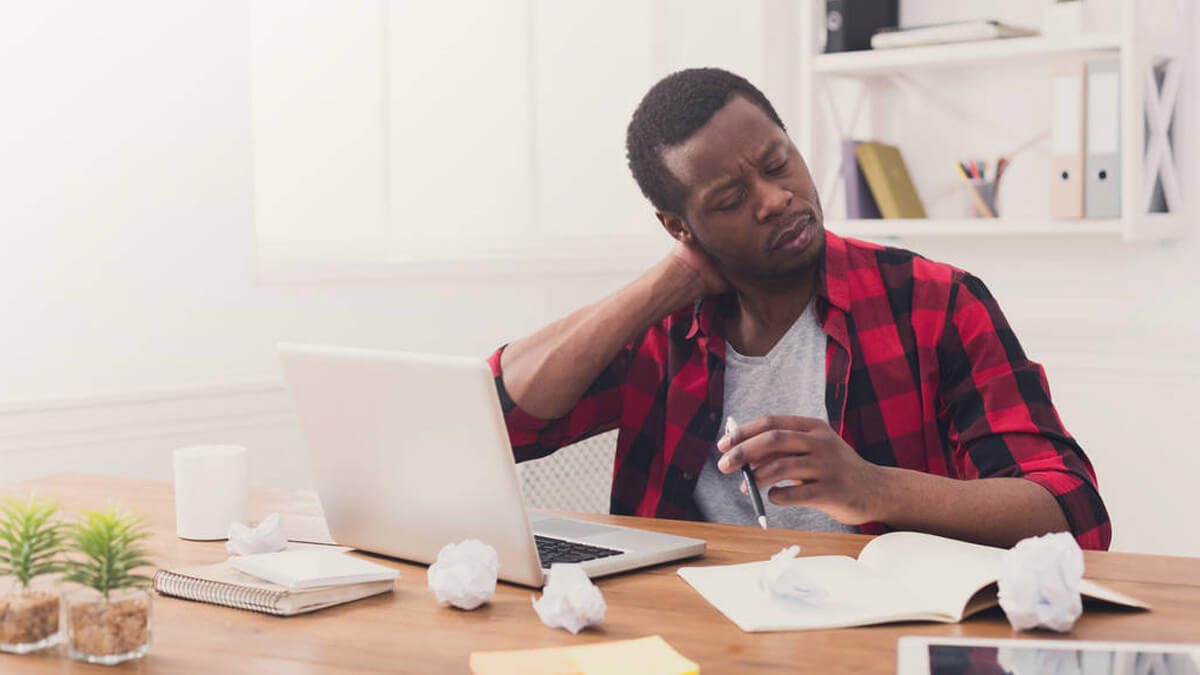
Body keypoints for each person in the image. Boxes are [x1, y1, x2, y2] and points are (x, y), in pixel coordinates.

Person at [488, 67, 1109, 550]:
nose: (775, 199)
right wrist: (659, 286)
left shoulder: (934, 302)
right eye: (731, 199)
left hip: (876, 636)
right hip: (689, 631)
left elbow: (1072, 512)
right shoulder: (663, 330)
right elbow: (502, 423)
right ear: (680, 226)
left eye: (777, 163)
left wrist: (871, 488)